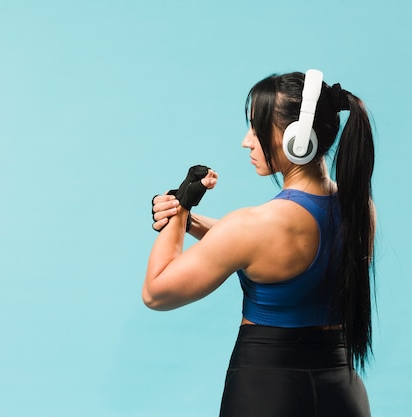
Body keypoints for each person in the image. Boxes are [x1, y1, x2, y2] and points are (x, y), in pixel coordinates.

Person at [143, 70, 375, 417]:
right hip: (342, 394)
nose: (247, 141)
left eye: (258, 127)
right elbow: (263, 246)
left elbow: (156, 292)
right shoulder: (360, 210)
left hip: (267, 393)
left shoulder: (254, 226)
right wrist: (190, 224)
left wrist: (179, 211)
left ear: (297, 138)